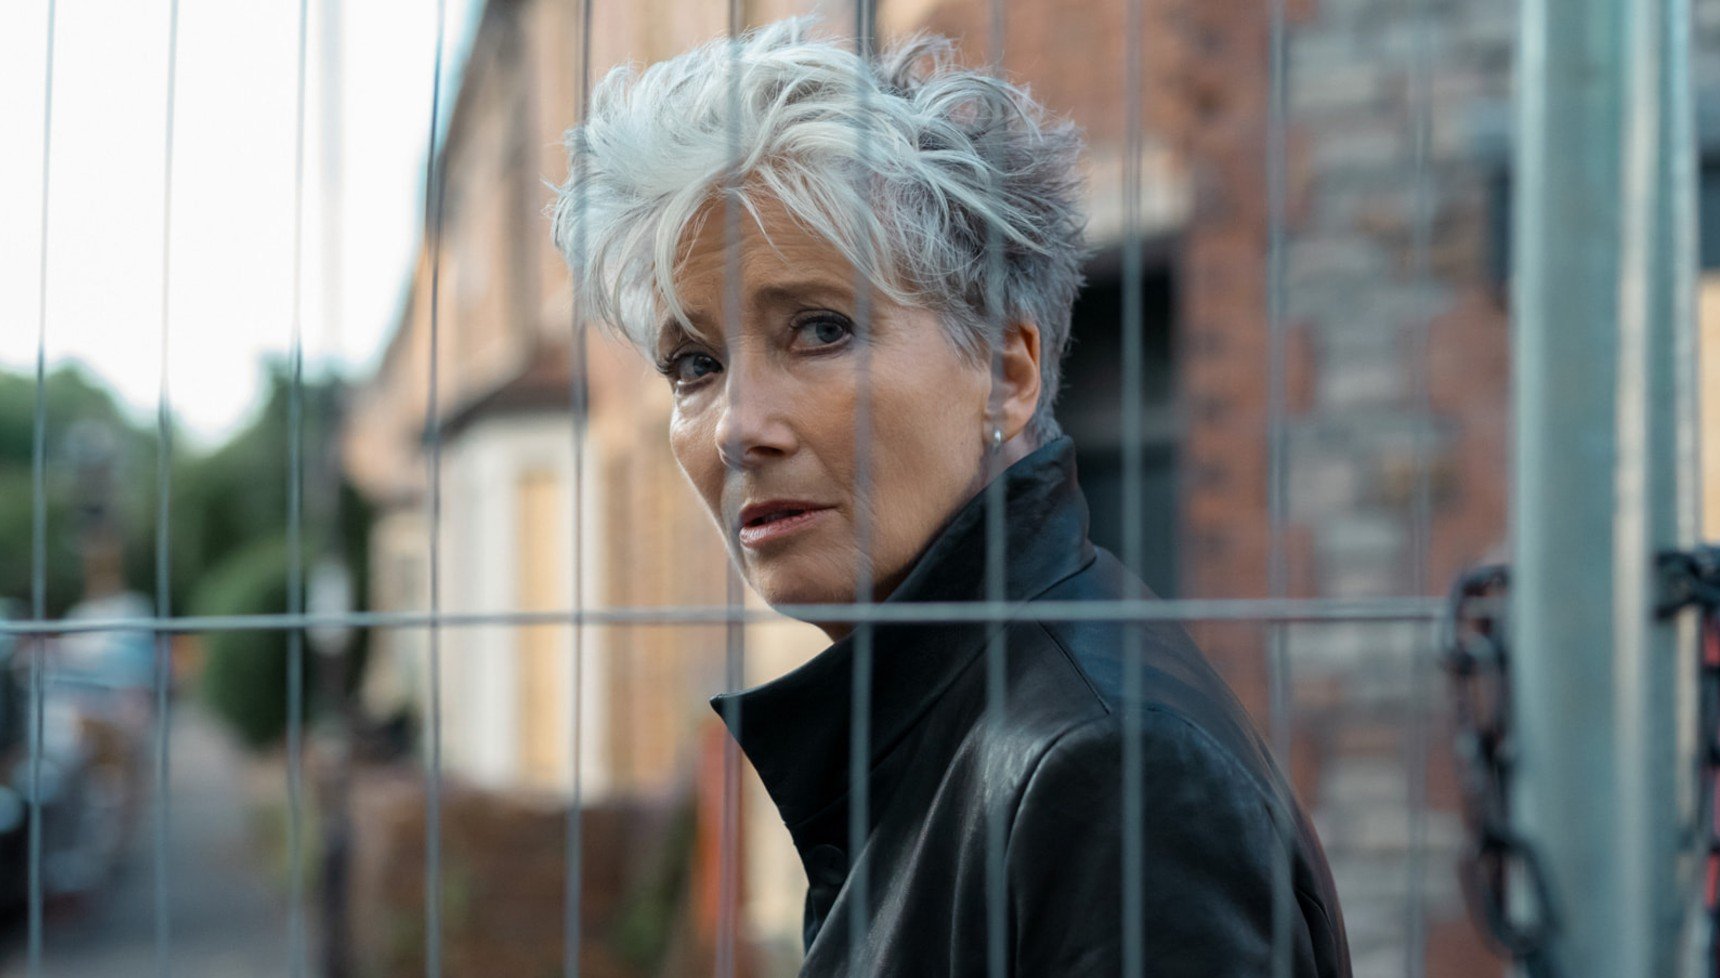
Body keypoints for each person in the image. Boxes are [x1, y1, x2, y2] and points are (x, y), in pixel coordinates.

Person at [551, 18, 1351, 977]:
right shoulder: (959, 718)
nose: (735, 426)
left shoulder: (1105, 764)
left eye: (819, 328)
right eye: (694, 363)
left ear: (1008, 375)